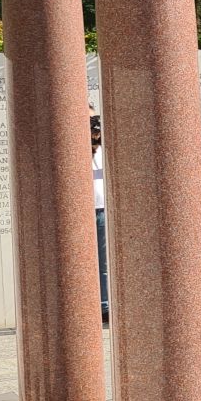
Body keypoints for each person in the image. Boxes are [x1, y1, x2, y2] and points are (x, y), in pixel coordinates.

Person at [91, 106, 108, 322]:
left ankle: (105, 305)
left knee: (103, 262)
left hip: (102, 208)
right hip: (81, 211)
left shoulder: (104, 147)